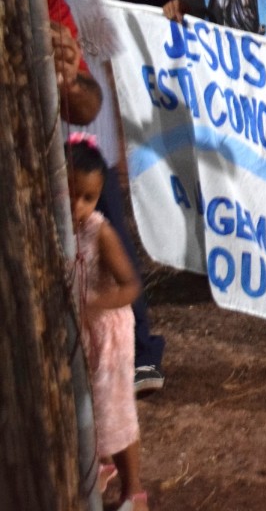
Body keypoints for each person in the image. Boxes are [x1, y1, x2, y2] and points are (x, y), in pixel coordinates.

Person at [37, 0, 169, 396]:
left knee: (109, 247)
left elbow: (98, 78)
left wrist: (72, 81)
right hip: (61, 156)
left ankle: (136, 354)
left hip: (87, 149)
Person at [65, 134, 148, 511]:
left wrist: (98, 303)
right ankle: (99, 464)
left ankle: (134, 491)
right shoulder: (52, 230)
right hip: (79, 334)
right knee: (88, 406)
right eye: (71, 194)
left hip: (109, 335)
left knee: (115, 409)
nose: (78, 206)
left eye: (88, 198)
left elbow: (131, 286)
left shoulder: (100, 232)